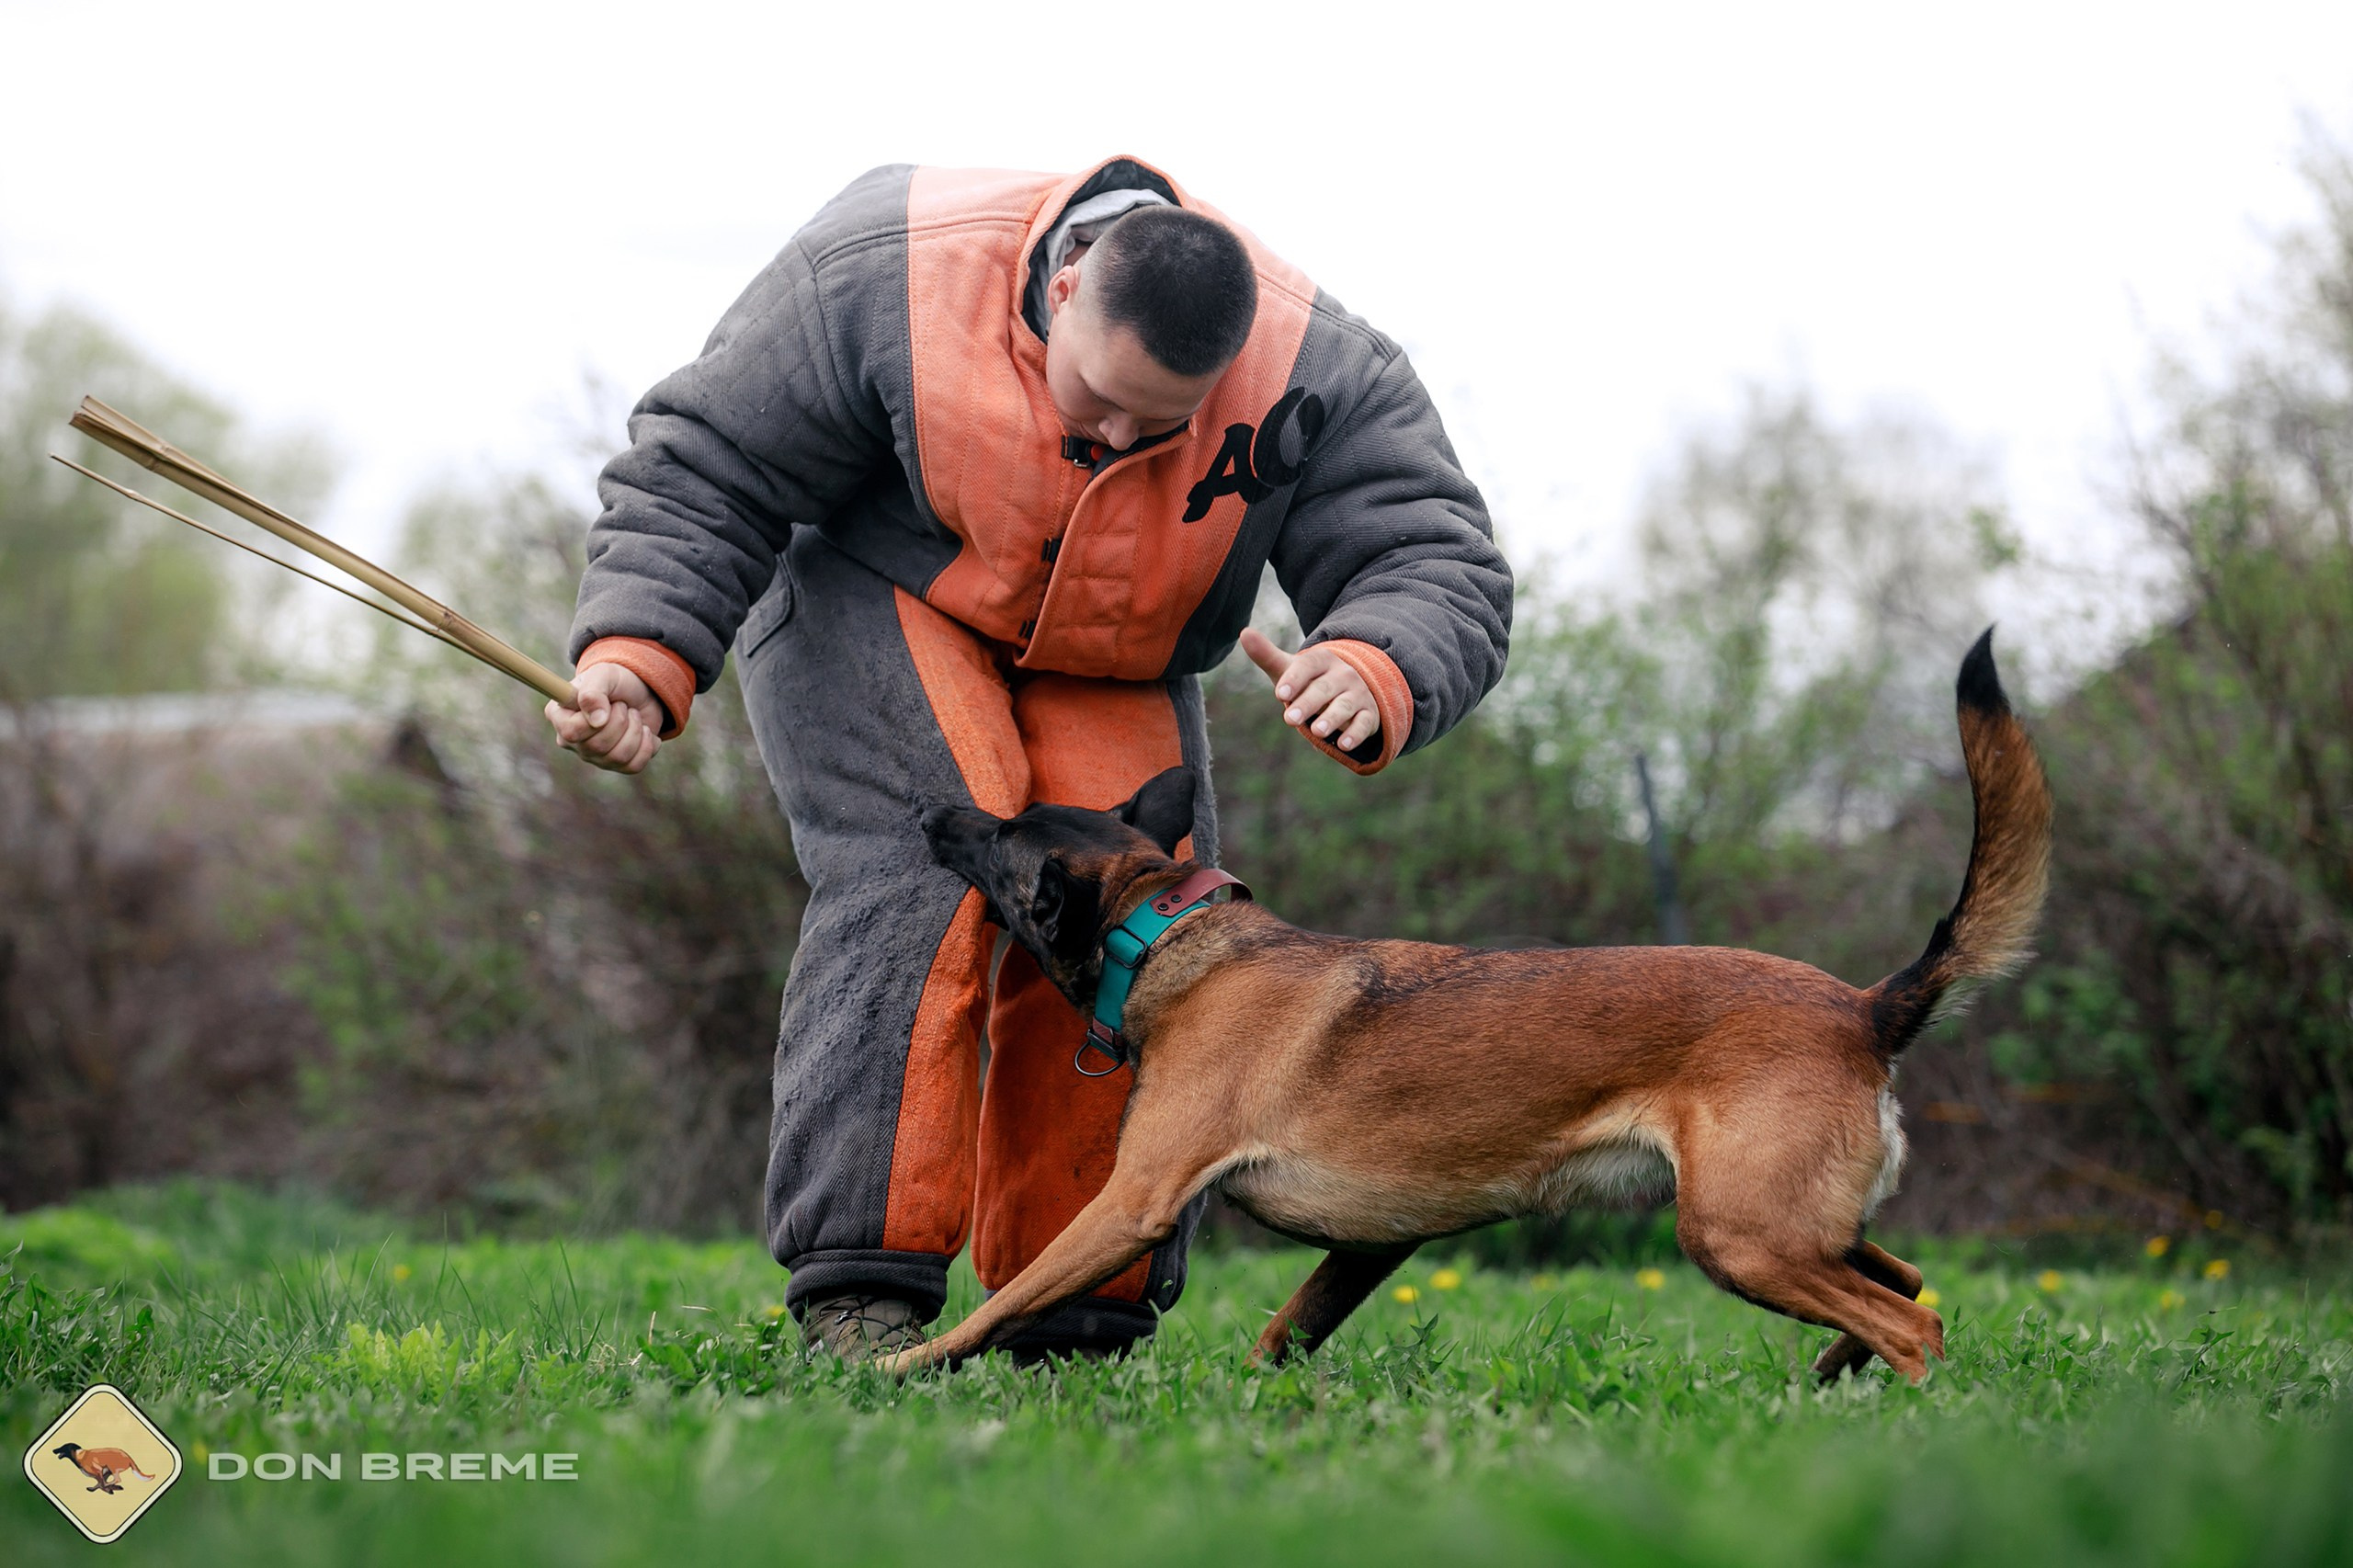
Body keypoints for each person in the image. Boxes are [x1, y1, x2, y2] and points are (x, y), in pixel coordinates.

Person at [550, 156, 1512, 1363]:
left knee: (1142, 930)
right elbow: (709, 466)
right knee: (941, 852)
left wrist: (1378, 661)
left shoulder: (1324, 369)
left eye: (1155, 425)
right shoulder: (882, 268)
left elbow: (1440, 565)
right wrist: (640, 655)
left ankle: (1075, 1314)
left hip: (1118, 652)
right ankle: (863, 1293)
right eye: (1096, 401)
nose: (1113, 439)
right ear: (1062, 287)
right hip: (882, 589)